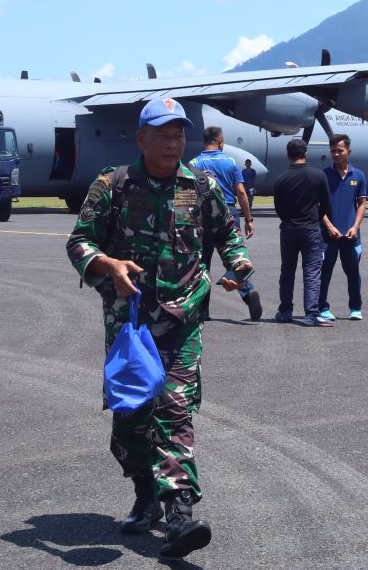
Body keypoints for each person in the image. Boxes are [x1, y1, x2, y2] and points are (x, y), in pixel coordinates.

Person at [66, 98, 250, 560]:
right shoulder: (113, 186)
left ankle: (180, 514)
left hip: (183, 318)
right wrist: (106, 264)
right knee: (130, 422)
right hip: (130, 324)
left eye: (179, 134)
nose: (173, 143)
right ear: (142, 138)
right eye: (163, 134)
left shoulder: (200, 185)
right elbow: (79, 241)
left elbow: (225, 231)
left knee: (173, 407)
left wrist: (239, 263)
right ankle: (146, 491)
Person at [189, 126, 261, 321]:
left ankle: (203, 309)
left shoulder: (194, 163)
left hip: (203, 215)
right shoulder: (230, 162)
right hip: (228, 211)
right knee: (235, 258)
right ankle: (248, 292)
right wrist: (249, 218)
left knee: (202, 262)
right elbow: (241, 192)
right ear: (220, 142)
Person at [272, 138, 333, 326]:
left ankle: (285, 310)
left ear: (288, 155)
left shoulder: (281, 179)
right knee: (312, 271)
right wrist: (316, 217)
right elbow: (326, 205)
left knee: (287, 270)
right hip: (310, 229)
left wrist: (288, 220)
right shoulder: (318, 176)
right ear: (305, 153)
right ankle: (311, 313)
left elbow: (278, 208)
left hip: (289, 229)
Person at [318, 133, 368, 321]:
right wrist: (329, 227)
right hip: (327, 235)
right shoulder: (323, 175)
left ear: (349, 151)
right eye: (333, 151)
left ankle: (355, 307)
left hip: (350, 235)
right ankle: (322, 307)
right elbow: (317, 206)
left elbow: (362, 203)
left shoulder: (359, 176)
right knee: (324, 272)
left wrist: (355, 227)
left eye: (340, 150)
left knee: (353, 272)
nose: (336, 154)